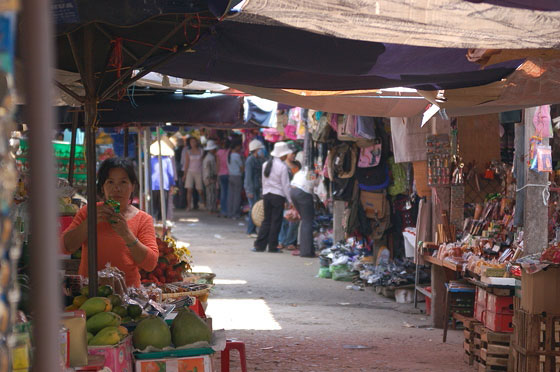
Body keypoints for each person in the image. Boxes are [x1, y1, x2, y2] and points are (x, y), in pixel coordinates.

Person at [62, 158, 158, 287]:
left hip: (129, 296)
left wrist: (126, 234)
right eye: (110, 182)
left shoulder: (143, 219)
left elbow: (150, 264)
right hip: (89, 293)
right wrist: (89, 223)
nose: (116, 188)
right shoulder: (88, 212)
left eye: (123, 182)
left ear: (132, 187)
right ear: (102, 187)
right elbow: (66, 247)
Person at [253, 142, 293, 253]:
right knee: (276, 222)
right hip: (278, 196)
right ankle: (272, 246)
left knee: (266, 221)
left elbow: (263, 182)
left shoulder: (265, 164)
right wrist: (290, 200)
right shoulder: (283, 167)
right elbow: (285, 186)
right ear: (282, 155)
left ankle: (259, 246)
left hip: (267, 195)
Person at [290, 165, 317, 257]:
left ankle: (305, 249)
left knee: (305, 220)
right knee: (307, 221)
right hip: (303, 193)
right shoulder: (312, 172)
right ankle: (306, 251)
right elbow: (316, 185)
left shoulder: (302, 171)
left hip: (293, 191)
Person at [278, 160, 301, 250]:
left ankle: (290, 242)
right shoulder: (285, 171)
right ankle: (282, 241)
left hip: (295, 199)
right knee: (284, 221)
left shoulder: (298, 172)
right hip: (286, 198)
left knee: (294, 221)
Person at [244, 139, 265, 237]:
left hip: (257, 187)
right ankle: (250, 230)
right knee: (253, 209)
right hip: (252, 188)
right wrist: (249, 191)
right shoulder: (250, 160)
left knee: (255, 209)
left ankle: (253, 230)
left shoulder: (258, 159)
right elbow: (248, 176)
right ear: (256, 149)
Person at [182, 137, 204, 211]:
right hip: (190, 172)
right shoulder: (188, 152)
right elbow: (186, 164)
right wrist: (185, 174)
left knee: (200, 190)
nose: (193, 143)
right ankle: (188, 206)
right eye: (191, 142)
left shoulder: (201, 151)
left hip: (199, 171)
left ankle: (205, 203)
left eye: (194, 141)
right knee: (189, 189)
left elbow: (203, 162)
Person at [227, 140, 244, 219]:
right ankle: (235, 213)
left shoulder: (229, 154)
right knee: (237, 196)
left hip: (231, 176)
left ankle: (230, 212)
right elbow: (241, 167)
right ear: (236, 147)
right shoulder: (236, 155)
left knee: (231, 195)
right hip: (237, 176)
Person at [202, 140, 219, 213]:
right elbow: (214, 169)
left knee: (209, 194)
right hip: (210, 178)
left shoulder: (207, 157)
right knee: (212, 194)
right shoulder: (211, 158)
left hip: (206, 177)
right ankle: (211, 208)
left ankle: (210, 208)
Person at [216, 139, 230, 217]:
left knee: (223, 193)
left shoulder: (219, 152)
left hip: (221, 174)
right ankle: (227, 210)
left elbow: (218, 164)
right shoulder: (230, 152)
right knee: (228, 193)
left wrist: (217, 174)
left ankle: (223, 210)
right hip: (229, 174)